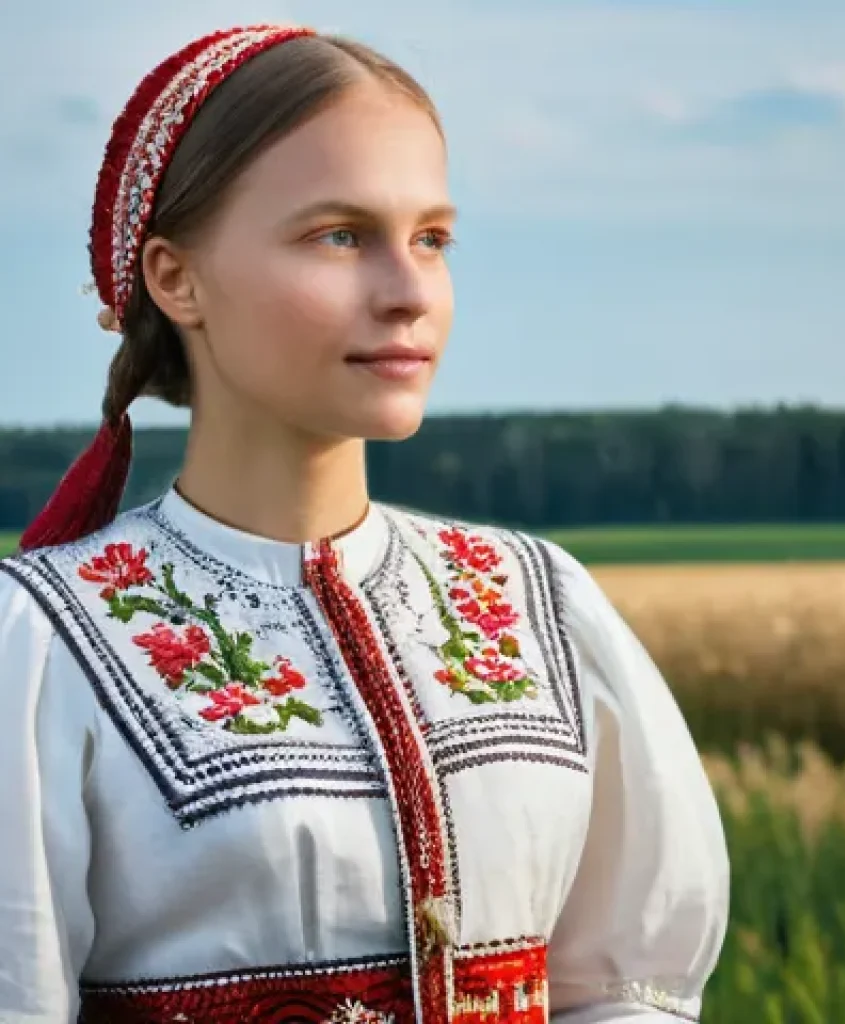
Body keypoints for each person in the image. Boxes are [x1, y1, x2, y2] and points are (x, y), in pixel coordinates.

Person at [0, 23, 729, 1024]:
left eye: (431, 237)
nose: (408, 292)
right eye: (339, 235)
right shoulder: (43, 645)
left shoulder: (541, 601)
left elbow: (629, 989)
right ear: (177, 279)